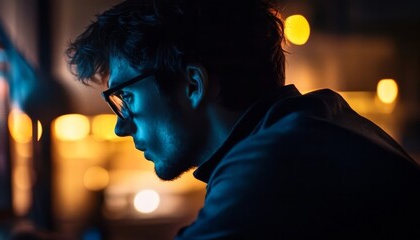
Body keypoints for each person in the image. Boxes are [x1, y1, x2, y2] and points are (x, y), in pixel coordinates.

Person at [65, 0, 420, 238]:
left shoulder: (272, 163)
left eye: (126, 97)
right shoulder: (317, 122)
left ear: (192, 85)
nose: (120, 124)